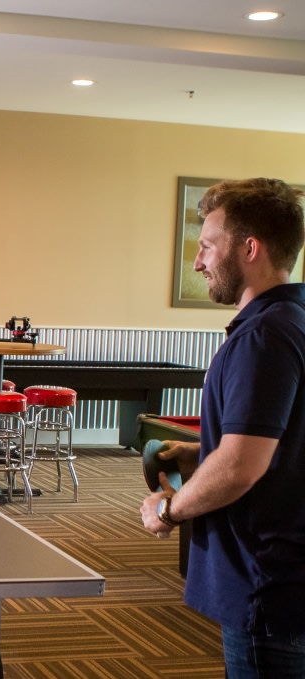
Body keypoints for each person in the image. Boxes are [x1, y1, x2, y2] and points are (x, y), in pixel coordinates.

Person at [140, 178, 305, 678]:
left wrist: (168, 509)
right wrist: (198, 452)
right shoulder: (293, 319)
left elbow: (238, 467)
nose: (197, 262)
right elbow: (284, 442)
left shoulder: (264, 336)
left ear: (249, 249)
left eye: (208, 246)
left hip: (267, 585)